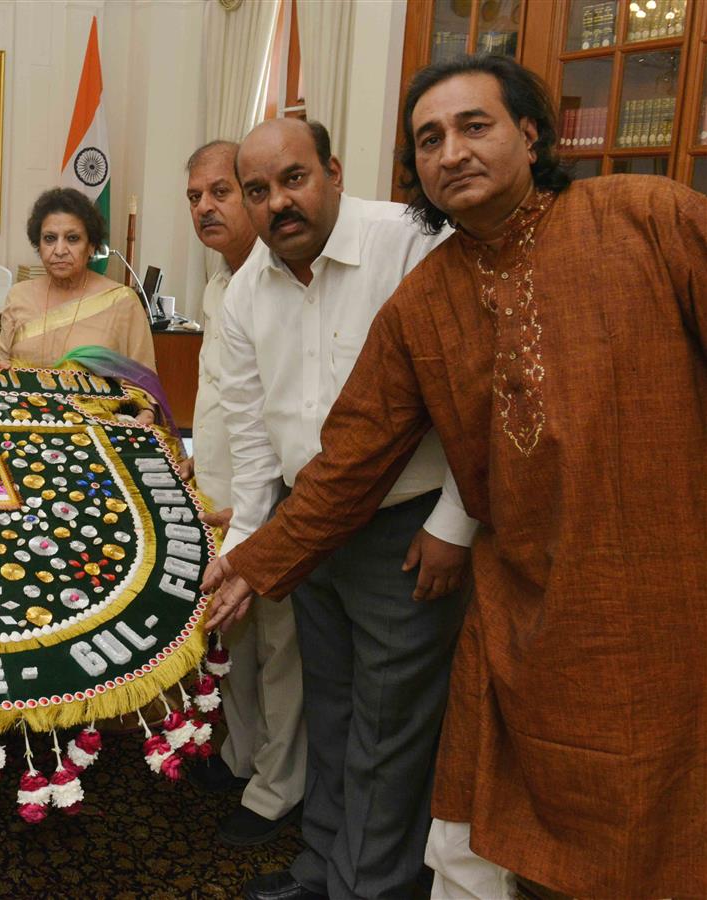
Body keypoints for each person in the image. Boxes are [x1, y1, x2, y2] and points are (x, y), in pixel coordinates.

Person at [204, 54, 707, 899]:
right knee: (514, 807)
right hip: (523, 595)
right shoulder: (428, 299)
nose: (451, 153)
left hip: (665, 582)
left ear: (532, 132)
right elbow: (351, 457)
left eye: (475, 127)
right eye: (429, 138)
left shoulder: (647, 216)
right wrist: (251, 560)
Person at [207, 117, 479, 900]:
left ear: (332, 169)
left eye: (293, 179)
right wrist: (254, 556)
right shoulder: (246, 290)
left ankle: (371, 886)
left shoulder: (410, 242)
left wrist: (452, 525)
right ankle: (321, 866)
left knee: (388, 730)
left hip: (407, 527)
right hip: (307, 525)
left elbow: (471, 401)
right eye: (257, 191)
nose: (277, 204)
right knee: (329, 712)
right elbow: (257, 442)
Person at [179, 140, 296, 844]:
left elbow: (281, 412)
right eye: (194, 196)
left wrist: (266, 511)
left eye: (220, 192)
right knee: (233, 642)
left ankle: (279, 789)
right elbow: (221, 394)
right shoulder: (219, 284)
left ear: (253, 196)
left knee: (281, 650)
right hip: (220, 497)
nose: (204, 207)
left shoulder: (279, 279)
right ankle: (241, 755)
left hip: (274, 505)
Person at [0, 187, 155, 371]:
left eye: (72, 238)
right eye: (49, 239)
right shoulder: (19, 295)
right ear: (38, 245)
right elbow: (1, 368)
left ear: (91, 246)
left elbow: (143, 387)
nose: (59, 250)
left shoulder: (122, 302)